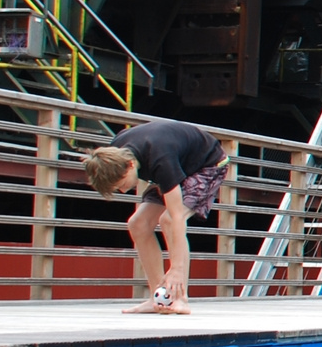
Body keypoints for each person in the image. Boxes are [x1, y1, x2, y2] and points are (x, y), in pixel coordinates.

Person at [78, 119, 228, 315]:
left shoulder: (160, 158)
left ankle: (181, 298)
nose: (123, 191)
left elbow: (176, 218)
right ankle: (158, 297)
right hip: (178, 163)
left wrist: (176, 268)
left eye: (122, 184)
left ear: (130, 165)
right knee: (138, 224)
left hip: (208, 164)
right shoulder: (113, 152)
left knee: (168, 219)